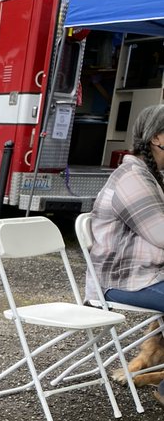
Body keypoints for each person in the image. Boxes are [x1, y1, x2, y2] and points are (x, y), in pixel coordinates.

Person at [88, 104, 164, 396]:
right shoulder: (133, 177)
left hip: (148, 275)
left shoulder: (152, 175)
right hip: (122, 282)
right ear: (157, 138)